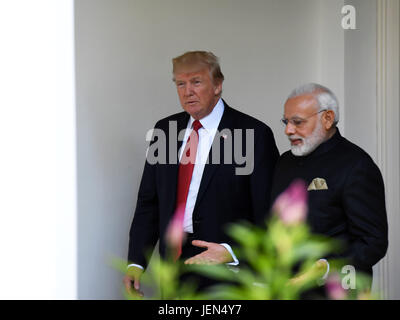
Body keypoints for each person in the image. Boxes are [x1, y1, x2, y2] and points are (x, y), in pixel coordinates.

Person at [124, 51, 279, 295]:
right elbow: (149, 203)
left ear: (217, 85)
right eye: (180, 84)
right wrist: (135, 262)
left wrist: (233, 252)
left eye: (196, 82)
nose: (188, 91)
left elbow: (269, 213)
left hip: (226, 273)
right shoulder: (165, 130)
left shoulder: (254, 134)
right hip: (174, 267)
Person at [271, 83, 388, 281]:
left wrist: (326, 268)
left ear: (327, 118)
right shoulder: (284, 162)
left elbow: (373, 242)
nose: (288, 130)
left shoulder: (356, 165)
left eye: (298, 122)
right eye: (286, 122)